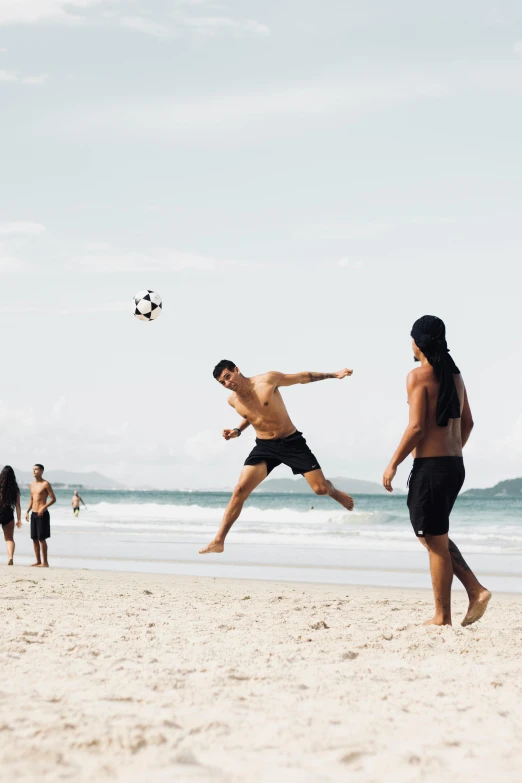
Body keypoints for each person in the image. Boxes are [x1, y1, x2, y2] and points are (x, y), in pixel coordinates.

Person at [382, 315, 491, 627]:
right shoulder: (456, 376)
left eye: (411, 338)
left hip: (431, 469)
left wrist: (393, 463)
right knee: (436, 537)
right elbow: (467, 423)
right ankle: (475, 590)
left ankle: (445, 615)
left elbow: (416, 427)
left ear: (419, 342)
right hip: (454, 467)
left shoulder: (418, 376)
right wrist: (450, 451)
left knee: (433, 541)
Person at [199, 360, 355, 555]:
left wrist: (333, 374)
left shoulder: (267, 380)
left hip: (291, 442)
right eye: (222, 382)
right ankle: (219, 540)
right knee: (239, 489)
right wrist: (237, 430)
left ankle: (333, 491)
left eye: (228, 377)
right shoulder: (233, 401)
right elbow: (253, 415)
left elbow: (301, 377)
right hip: (265, 446)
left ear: (237, 370)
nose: (227, 383)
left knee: (320, 489)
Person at [26, 464, 56, 568]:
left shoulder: (45, 484)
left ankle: (45, 562)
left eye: (36, 469)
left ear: (42, 471)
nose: (34, 471)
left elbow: (53, 499)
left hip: (42, 514)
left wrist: (43, 507)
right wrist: (27, 511)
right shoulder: (32, 484)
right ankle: (38, 561)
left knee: (41, 538)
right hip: (34, 513)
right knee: (34, 538)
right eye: (33, 469)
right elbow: (32, 499)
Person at [0, 466, 22, 565]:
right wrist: (19, 519)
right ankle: (10, 557)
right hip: (8, 513)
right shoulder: (15, 489)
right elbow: (18, 505)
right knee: (9, 538)